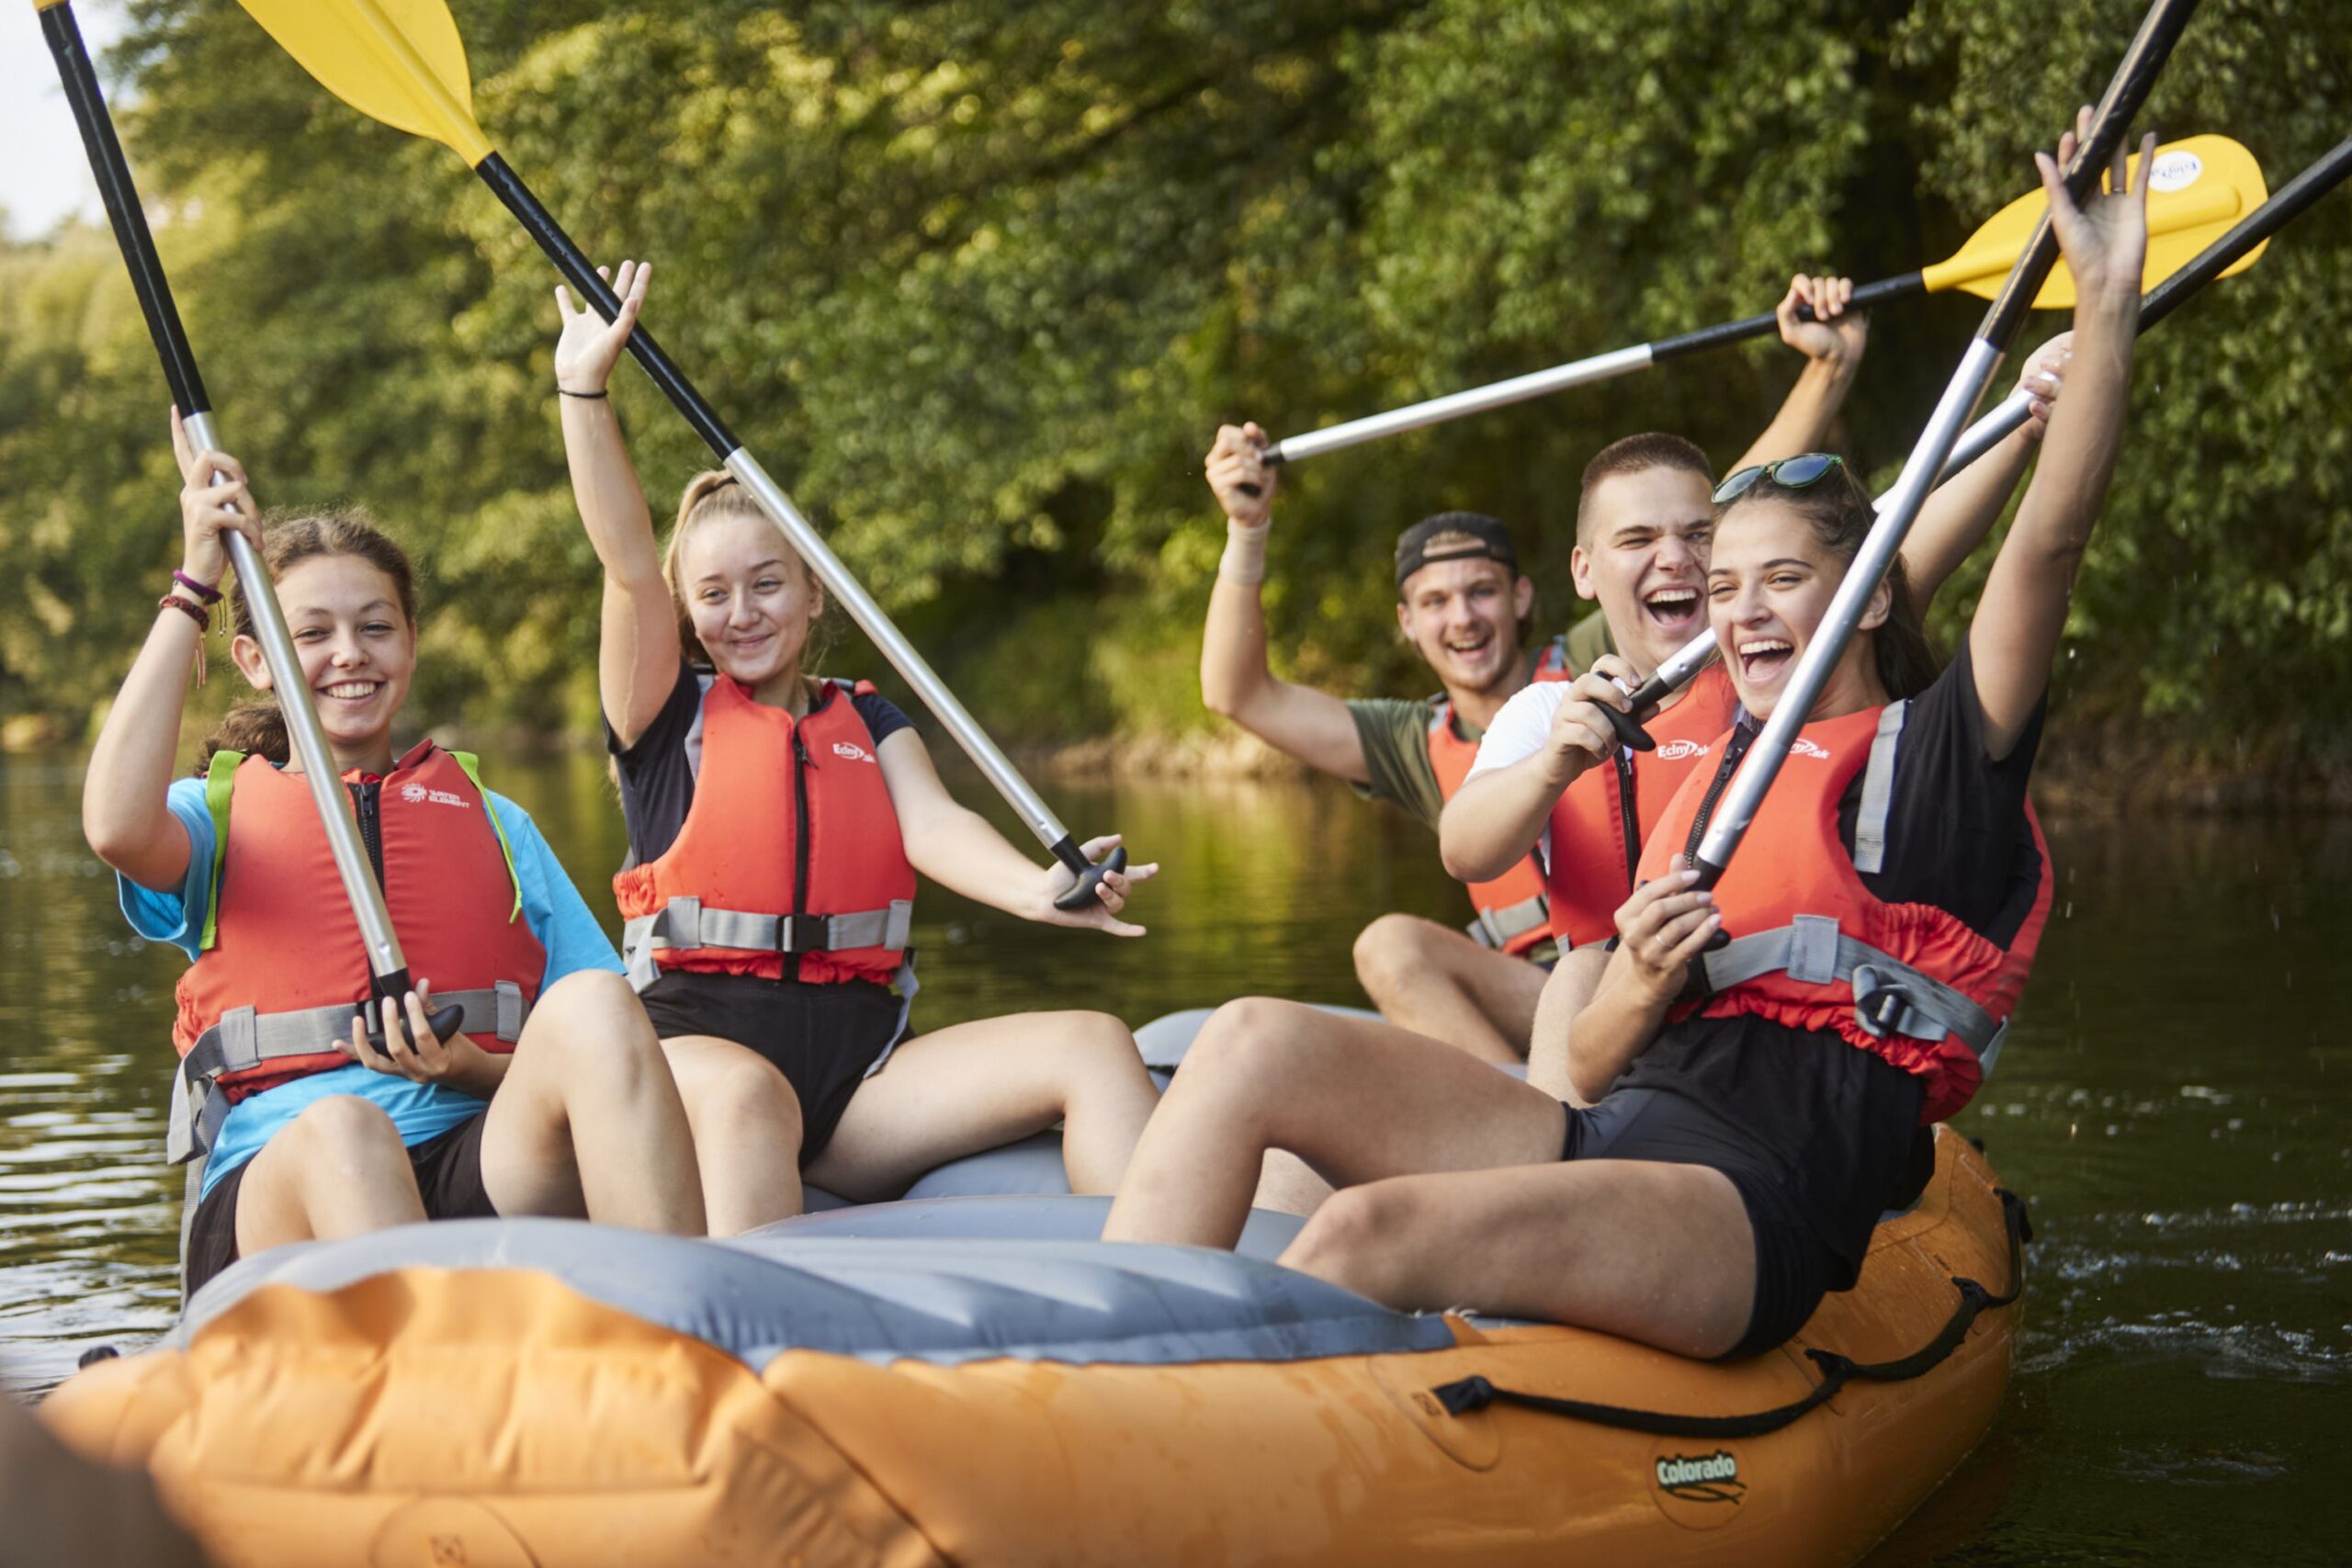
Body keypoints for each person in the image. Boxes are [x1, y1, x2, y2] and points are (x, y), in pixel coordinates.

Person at [1103, 114, 2144, 1359]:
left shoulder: (1937, 756)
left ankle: (1183, 1429)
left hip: (1748, 1200)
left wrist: (2101, 310)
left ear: (1868, 598)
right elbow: (1589, 1059)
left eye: (1778, 582)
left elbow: (2047, 546)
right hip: (1607, 1128)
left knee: (1363, 1232)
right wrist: (1640, 979)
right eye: (1724, 588)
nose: (1739, 608)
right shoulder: (1705, 778)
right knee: (1249, 1037)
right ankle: (1091, 1365)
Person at [551, 261, 1162, 1214]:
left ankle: (1174, 1277)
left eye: (767, 584)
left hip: (858, 1074)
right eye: (712, 594)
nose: (742, 613)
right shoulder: (664, 715)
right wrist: (585, 393)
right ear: (686, 612)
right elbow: (628, 562)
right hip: (702, 1058)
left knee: (1093, 1043)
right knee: (750, 1098)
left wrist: (1038, 891)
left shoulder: (868, 720)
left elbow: (935, 826)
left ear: (814, 594)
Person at [83, 420, 707, 1300]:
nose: (350, 652)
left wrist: (472, 1068)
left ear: (409, 643)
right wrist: (194, 585)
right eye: (311, 634)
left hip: (471, 1161)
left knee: (600, 1004)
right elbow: (114, 826)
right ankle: (436, 1371)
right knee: (349, 1130)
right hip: (285, 1189)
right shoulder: (209, 819)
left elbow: (602, 1050)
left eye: (375, 627)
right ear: (256, 660)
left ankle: (681, 1328)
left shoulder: (495, 822)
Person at [1200, 275, 1869, 1063]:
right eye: (1436, 602)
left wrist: (1825, 373)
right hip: (1544, 994)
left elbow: (1690, 532)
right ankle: (1523, 1106)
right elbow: (1236, 693)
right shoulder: (1411, 742)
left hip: (1659, 971)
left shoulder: (1600, 655)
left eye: (1482, 591)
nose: (1463, 618)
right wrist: (1248, 527)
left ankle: (1544, 1108)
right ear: (1407, 624)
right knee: (1393, 946)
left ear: (1523, 597)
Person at [1443, 334, 2075, 1077]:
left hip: (1757, 1014)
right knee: (1580, 972)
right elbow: (1466, 848)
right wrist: (1553, 765)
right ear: (1585, 570)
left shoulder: (1782, 671)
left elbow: (1912, 543)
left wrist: (2025, 418)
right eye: (1639, 539)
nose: (1675, 557)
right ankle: (1552, 1128)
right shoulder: (1546, 710)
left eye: (1699, 536)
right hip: (1611, 1021)